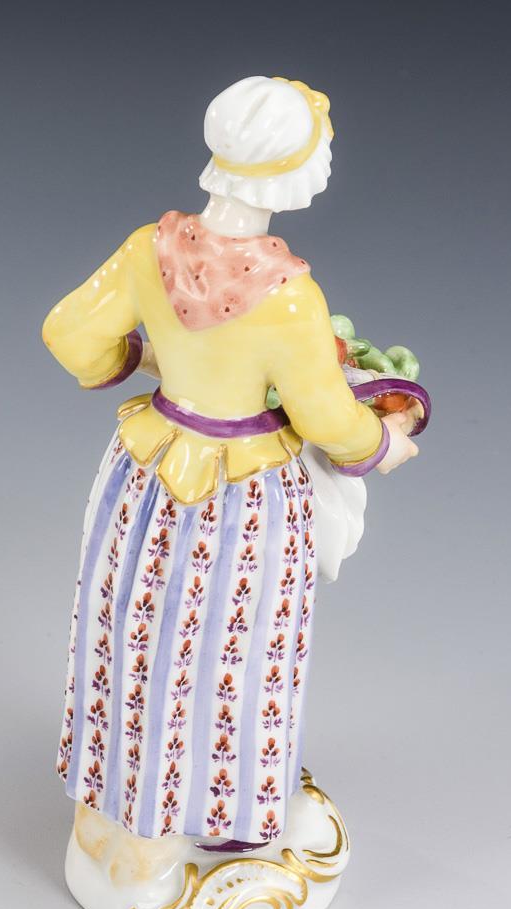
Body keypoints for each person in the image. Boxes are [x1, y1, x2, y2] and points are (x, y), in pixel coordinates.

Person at [43, 76, 418, 846]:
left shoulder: (146, 249)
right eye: (321, 150)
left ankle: (121, 803)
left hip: (148, 469)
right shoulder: (290, 297)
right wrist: (384, 443)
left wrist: (144, 359)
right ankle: (222, 819)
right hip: (243, 491)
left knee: (136, 631)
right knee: (234, 650)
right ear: (289, 169)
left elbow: (69, 334)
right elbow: (325, 416)